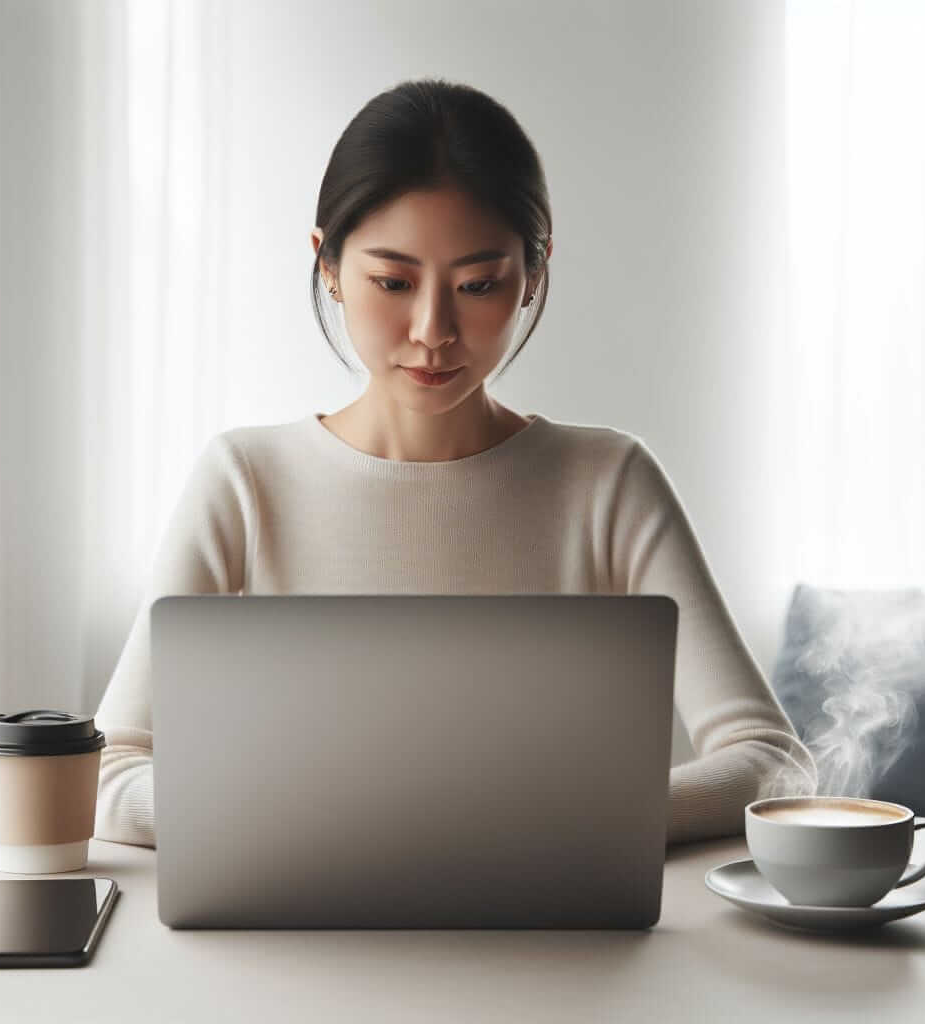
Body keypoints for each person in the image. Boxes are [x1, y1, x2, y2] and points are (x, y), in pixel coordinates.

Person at [93, 76, 817, 851]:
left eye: (477, 285)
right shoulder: (243, 481)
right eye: (393, 283)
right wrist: (308, 823)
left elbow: (773, 765)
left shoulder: (609, 483)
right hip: (301, 947)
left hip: (562, 953)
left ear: (533, 274)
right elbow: (106, 774)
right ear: (328, 265)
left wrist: (562, 824)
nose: (434, 330)